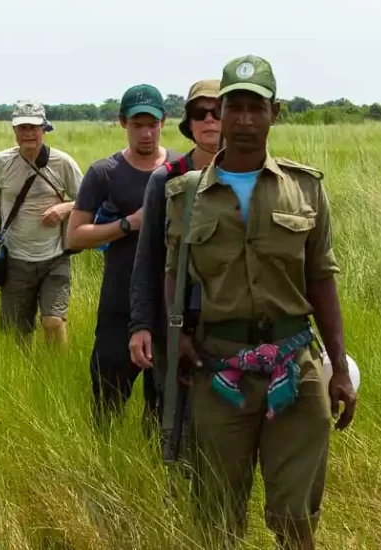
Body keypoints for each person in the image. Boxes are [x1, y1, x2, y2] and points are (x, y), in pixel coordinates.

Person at [163, 55, 357, 549]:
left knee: (295, 519)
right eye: (234, 107)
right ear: (219, 115)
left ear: (275, 113)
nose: (245, 120)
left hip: (297, 370)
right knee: (216, 517)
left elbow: (321, 279)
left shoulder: (304, 187)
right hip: (219, 374)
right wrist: (179, 336)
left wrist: (337, 365)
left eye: (256, 107)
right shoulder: (185, 194)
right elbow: (174, 275)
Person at [66, 84, 181, 428]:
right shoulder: (105, 172)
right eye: (137, 125)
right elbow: (75, 235)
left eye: (153, 124)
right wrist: (130, 224)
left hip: (168, 304)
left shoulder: (180, 168)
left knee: (163, 407)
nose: (146, 133)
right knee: (107, 402)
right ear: (122, 122)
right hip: (119, 302)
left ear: (164, 122)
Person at [128, 79, 221, 426]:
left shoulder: (253, 178)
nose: (210, 120)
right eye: (200, 113)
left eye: (218, 111)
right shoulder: (166, 179)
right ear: (189, 123)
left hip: (233, 325)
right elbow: (147, 259)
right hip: (179, 320)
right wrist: (141, 326)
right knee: (177, 420)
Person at [0, 100, 83, 345]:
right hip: (15, 259)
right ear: (14, 130)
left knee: (53, 321)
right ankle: (25, 378)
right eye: (22, 127)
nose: (28, 133)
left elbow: (90, 200)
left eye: (34, 127)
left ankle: (56, 374)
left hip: (55, 257)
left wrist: (66, 207)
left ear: (45, 129)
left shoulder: (63, 163)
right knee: (16, 332)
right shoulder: (0, 163)